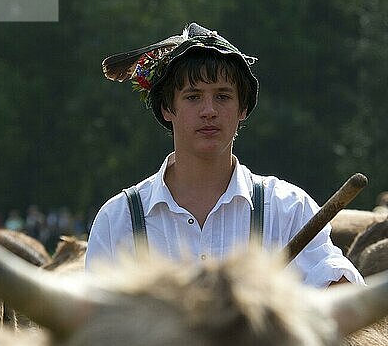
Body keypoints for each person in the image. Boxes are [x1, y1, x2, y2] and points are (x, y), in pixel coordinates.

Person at [86, 23, 364, 288]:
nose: (209, 110)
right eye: (193, 97)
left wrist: (336, 294)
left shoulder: (289, 209)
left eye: (222, 96)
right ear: (167, 109)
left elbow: (340, 295)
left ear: (243, 109)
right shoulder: (118, 219)